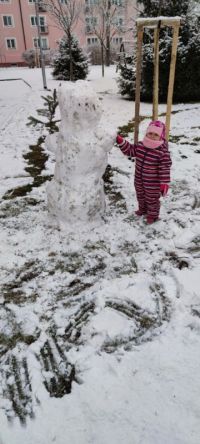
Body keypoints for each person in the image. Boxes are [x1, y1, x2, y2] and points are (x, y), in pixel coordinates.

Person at [116, 120, 172, 224]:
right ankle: (142, 210)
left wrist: (164, 183)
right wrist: (121, 141)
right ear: (146, 133)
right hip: (139, 179)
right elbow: (130, 150)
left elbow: (165, 167)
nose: (152, 136)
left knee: (152, 199)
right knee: (140, 195)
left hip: (153, 183)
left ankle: (153, 215)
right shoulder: (141, 145)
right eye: (150, 133)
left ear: (161, 137)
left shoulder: (162, 152)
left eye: (156, 134)